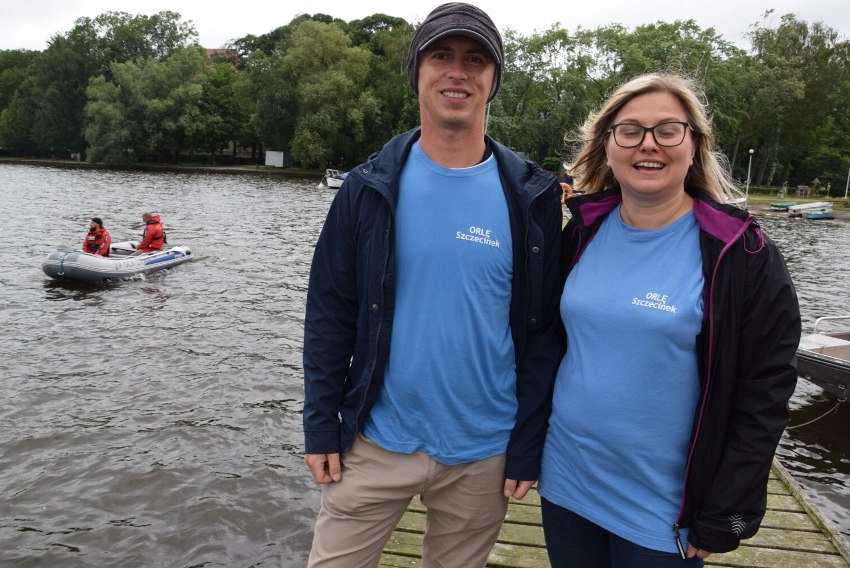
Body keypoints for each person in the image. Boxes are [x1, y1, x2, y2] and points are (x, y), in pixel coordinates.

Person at [301, 3, 563, 566]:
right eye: (441, 55)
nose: (457, 72)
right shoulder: (365, 188)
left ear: (494, 80)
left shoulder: (534, 199)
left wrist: (527, 445)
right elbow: (330, 312)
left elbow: (543, 334)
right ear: (416, 71)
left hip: (484, 453)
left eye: (475, 60)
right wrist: (320, 424)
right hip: (373, 443)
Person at [538, 73, 801, 567]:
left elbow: (764, 393)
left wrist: (725, 510)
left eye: (667, 130)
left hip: (663, 508)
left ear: (694, 143)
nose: (648, 145)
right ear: (608, 144)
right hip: (566, 482)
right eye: (630, 130)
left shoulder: (740, 253)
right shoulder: (580, 234)